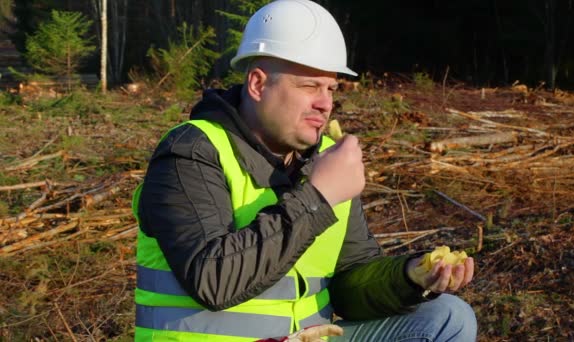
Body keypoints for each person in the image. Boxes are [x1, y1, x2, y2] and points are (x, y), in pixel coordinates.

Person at [132, 0, 477, 341]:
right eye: (309, 86)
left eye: (330, 88)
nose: (325, 102)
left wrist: (409, 277)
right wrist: (318, 198)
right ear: (257, 84)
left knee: (448, 317)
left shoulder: (326, 158)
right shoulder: (191, 151)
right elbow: (213, 280)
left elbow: (349, 284)